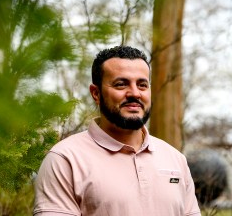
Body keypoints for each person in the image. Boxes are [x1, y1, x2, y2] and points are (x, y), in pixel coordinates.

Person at [33, 45, 201, 216]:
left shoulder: (175, 159)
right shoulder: (65, 159)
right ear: (96, 93)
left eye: (142, 85)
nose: (135, 93)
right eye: (121, 84)